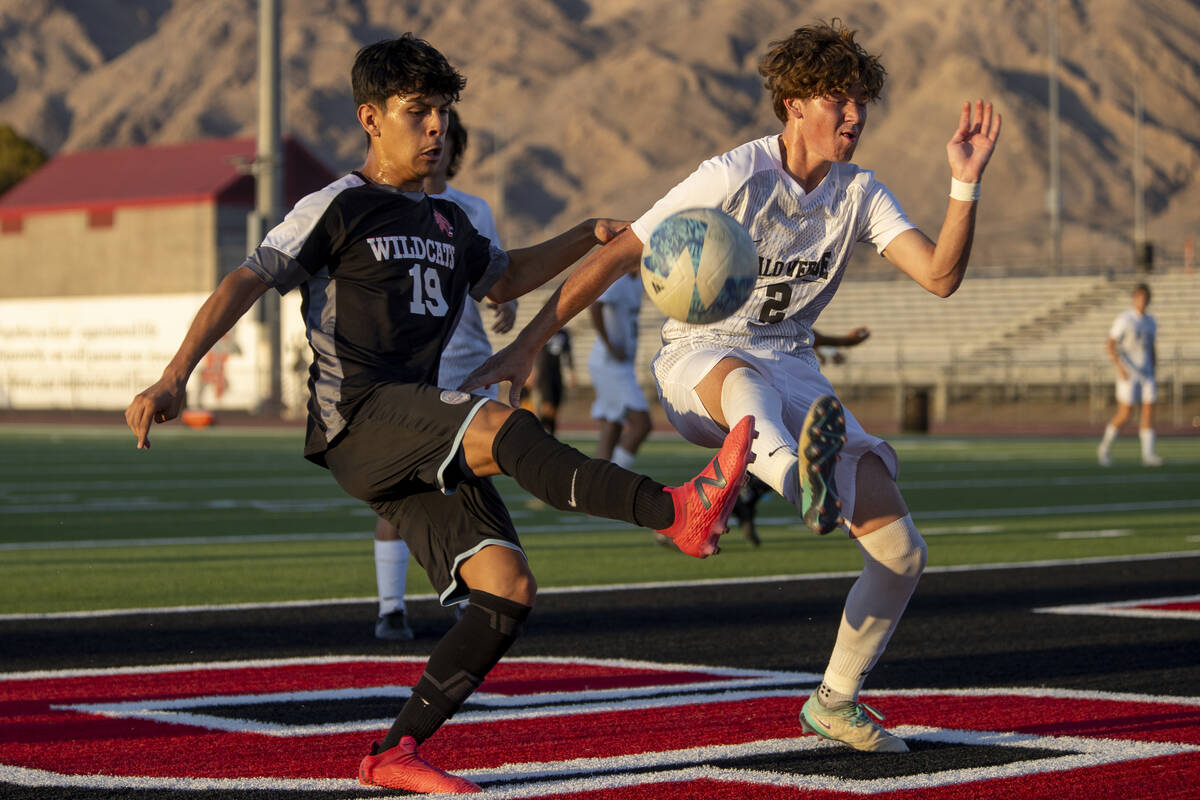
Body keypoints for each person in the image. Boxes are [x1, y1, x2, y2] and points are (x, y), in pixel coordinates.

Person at [124, 34, 754, 795]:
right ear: (371, 118)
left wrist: (588, 235)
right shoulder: (336, 205)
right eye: (418, 111)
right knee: (498, 425)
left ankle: (394, 753)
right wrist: (174, 375)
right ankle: (671, 511)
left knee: (508, 589)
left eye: (443, 113)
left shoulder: (452, 222)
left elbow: (507, 277)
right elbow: (246, 278)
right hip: (359, 419)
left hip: (411, 431)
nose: (436, 128)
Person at [466, 19, 1001, 755]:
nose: (854, 115)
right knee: (746, 382)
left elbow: (940, 276)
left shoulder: (860, 193)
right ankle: (795, 480)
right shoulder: (732, 176)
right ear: (792, 106)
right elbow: (622, 252)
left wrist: (964, 180)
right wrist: (527, 345)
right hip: (701, 360)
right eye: (837, 99)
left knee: (903, 552)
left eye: (860, 101)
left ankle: (834, 700)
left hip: (794, 368)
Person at [373, 108, 517, 642]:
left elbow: (493, 278)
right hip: (408, 368)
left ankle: (472, 600)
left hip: (467, 364)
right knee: (398, 488)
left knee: (469, 485)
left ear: (455, 148)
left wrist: (507, 304)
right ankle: (391, 608)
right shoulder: (383, 207)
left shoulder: (472, 209)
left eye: (446, 134)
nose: (434, 140)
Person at [733, 326, 871, 546]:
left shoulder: (788, 323)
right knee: (765, 458)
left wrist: (844, 343)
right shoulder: (751, 321)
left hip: (779, 390)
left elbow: (811, 336)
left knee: (779, 458)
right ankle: (687, 516)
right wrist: (844, 342)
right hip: (754, 389)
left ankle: (744, 504)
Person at [588, 272, 652, 469]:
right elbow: (595, 306)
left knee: (612, 424)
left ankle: (596, 483)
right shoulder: (618, 279)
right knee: (642, 425)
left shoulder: (638, 281)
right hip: (609, 363)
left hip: (620, 364)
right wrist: (610, 345)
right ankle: (612, 480)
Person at [1098, 282, 1163, 467]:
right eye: (1139, 297)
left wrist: (1154, 368)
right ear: (1134, 298)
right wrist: (1120, 368)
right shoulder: (1125, 319)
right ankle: (1105, 447)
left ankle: (1148, 455)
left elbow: (1151, 347)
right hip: (1129, 372)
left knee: (1148, 412)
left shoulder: (1151, 321)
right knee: (1125, 413)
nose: (1142, 300)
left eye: (1145, 297)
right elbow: (1110, 344)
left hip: (1147, 373)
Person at [524, 328, 573, 434]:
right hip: (544, 374)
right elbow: (534, 352)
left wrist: (571, 373)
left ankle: (550, 433)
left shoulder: (564, 333)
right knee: (547, 406)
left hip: (557, 373)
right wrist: (532, 372)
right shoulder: (543, 328)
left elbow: (568, 354)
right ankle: (542, 433)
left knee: (555, 407)